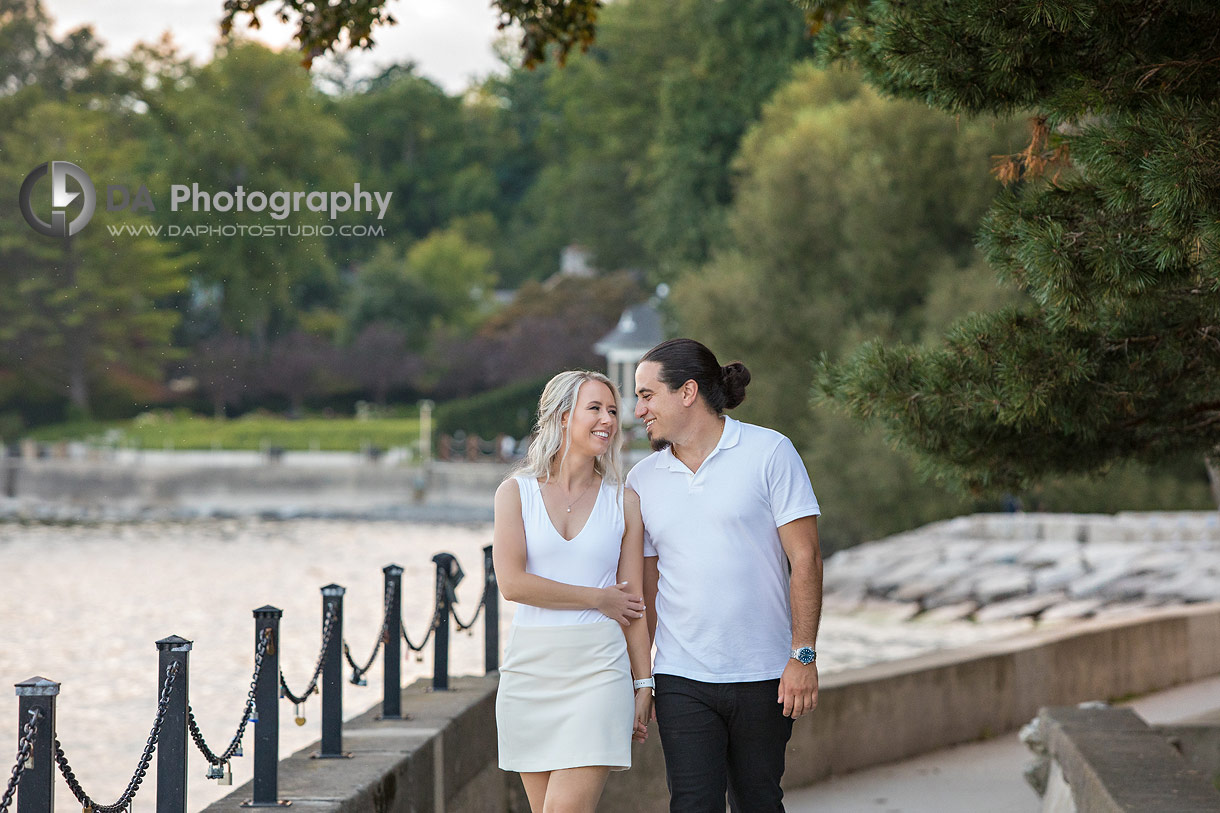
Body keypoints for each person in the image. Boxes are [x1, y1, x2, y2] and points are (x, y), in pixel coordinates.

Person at [627, 338, 823, 813]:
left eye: (647, 395)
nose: (638, 411)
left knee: (759, 801)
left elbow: (807, 559)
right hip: (681, 678)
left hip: (764, 675)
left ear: (688, 391)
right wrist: (642, 681)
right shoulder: (642, 479)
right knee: (693, 804)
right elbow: (646, 591)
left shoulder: (770, 451)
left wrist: (803, 655)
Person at [492, 370, 655, 813]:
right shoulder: (515, 493)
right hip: (529, 673)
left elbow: (633, 606)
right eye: (595, 408)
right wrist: (596, 597)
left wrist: (644, 684)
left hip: (599, 673)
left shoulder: (625, 502)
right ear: (563, 417)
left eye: (613, 411)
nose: (608, 420)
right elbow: (512, 584)